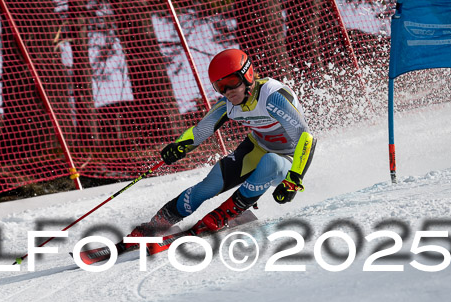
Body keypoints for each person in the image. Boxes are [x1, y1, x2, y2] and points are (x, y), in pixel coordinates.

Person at [126, 48, 316, 244]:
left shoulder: (272, 96)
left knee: (270, 162)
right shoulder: (228, 104)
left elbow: (306, 137)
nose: (228, 91)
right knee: (210, 184)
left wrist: (294, 179)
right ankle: (157, 224)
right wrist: (179, 146)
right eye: (220, 86)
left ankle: (225, 214)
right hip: (256, 147)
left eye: (232, 82)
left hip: (290, 159)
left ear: (247, 74)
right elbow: (200, 130)